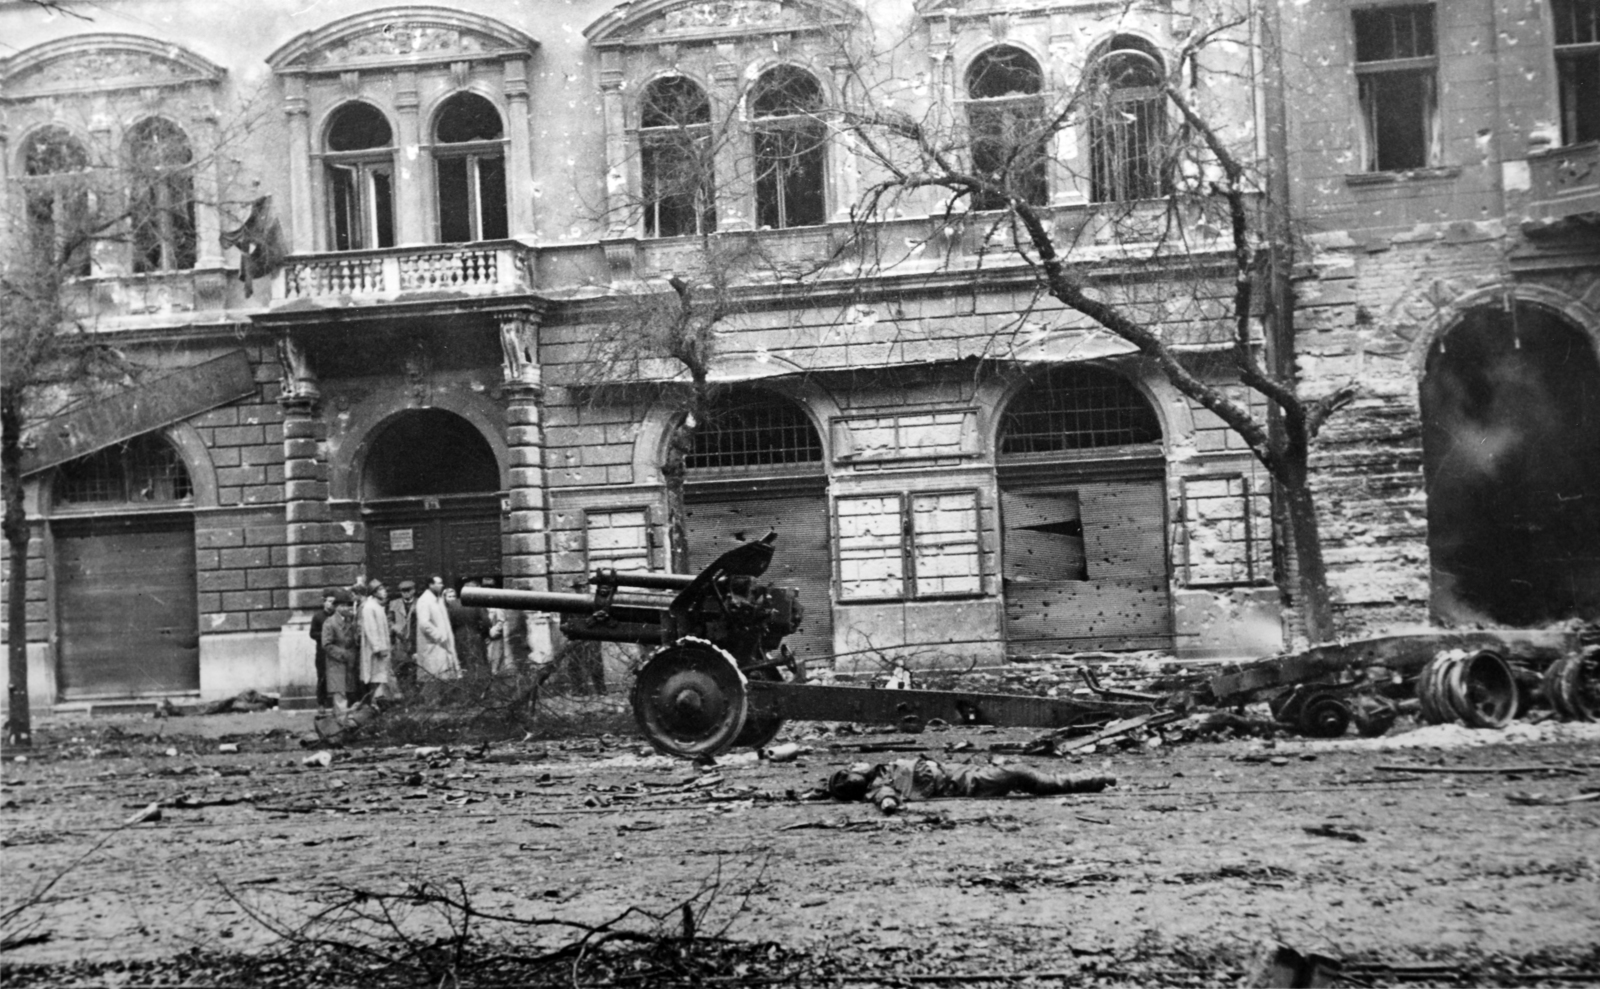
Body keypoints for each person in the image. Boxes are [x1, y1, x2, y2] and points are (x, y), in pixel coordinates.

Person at [826, 757, 1116, 815]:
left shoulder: (882, 770)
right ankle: (1095, 779)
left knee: (1025, 776)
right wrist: (889, 804)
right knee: (1023, 775)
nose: (854, 765)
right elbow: (886, 800)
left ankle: (1094, 778)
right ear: (854, 781)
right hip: (970, 782)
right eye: (850, 771)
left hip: (968, 772)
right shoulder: (878, 787)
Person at [320, 589, 361, 720]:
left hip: (349, 664)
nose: (347, 608)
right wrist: (343, 654)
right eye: (344, 605)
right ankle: (341, 724)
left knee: (348, 694)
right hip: (336, 664)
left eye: (349, 605)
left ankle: (341, 722)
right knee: (340, 695)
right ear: (337, 607)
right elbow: (326, 644)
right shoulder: (330, 622)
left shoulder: (350, 621)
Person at [414, 574, 460, 685]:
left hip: (442, 645)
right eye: (439, 583)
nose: (442, 585)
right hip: (433, 645)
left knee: (443, 677)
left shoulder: (438, 599)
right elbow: (424, 624)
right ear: (430, 585)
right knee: (433, 678)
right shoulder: (424, 600)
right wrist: (440, 636)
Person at [360, 579, 397, 704]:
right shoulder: (369, 607)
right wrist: (378, 648)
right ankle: (373, 704)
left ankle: (378, 704)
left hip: (383, 649)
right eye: (380, 590)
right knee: (376, 678)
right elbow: (371, 629)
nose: (384, 592)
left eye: (383, 589)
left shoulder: (377, 606)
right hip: (377, 652)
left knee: (382, 677)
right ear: (374, 592)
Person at [446, 582, 489, 674]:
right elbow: (486, 622)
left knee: (462, 663)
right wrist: (484, 633)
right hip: (475, 635)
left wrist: (454, 632)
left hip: (459, 636)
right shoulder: (477, 604)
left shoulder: (453, 604)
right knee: (477, 663)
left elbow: (449, 623)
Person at [307, 588, 337, 710]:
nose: (331, 604)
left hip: (335, 652)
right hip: (322, 653)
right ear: (324, 602)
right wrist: (325, 636)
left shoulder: (337, 616)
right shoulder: (318, 617)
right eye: (329, 601)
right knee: (322, 677)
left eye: (333, 602)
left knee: (336, 677)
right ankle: (321, 703)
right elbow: (312, 634)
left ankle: (336, 703)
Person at [388, 579, 418, 692]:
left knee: (415, 670)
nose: (405, 593)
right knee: (401, 670)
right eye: (403, 591)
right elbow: (389, 620)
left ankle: (414, 696)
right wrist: (395, 627)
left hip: (414, 641)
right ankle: (404, 694)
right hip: (400, 642)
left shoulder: (420, 603)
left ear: (414, 591)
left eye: (408, 590)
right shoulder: (394, 603)